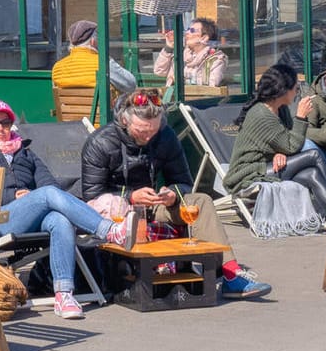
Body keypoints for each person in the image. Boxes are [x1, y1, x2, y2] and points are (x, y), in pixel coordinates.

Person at [78, 95, 270, 298]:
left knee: (201, 201)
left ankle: (230, 274)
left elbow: (183, 181)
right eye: (142, 130)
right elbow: (92, 196)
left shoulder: (165, 136)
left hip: (154, 204)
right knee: (113, 204)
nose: (148, 136)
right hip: (116, 211)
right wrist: (131, 197)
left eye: (153, 130)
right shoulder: (100, 143)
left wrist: (173, 194)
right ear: (125, 121)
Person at [0, 100, 132, 319]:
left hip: (28, 216)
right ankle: (109, 231)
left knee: (59, 219)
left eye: (5, 123)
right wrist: (13, 196)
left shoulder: (25, 153)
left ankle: (63, 294)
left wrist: (32, 198)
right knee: (47, 194)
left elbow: (47, 181)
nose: (0, 128)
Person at [224, 66, 326, 224]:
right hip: (248, 174)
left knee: (311, 174)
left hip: (268, 166)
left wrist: (280, 152)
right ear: (283, 90)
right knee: (314, 155)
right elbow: (292, 146)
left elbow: (284, 142)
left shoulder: (279, 109)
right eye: (295, 87)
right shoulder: (262, 115)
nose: (297, 91)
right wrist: (301, 116)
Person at [50, 19, 138, 97]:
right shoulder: (103, 64)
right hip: (102, 115)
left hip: (69, 115)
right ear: (93, 42)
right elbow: (131, 85)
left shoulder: (57, 68)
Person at [151, 17, 229, 87]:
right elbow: (159, 71)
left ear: (204, 38)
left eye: (192, 30)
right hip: (174, 100)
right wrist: (169, 48)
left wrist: (181, 80)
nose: (187, 33)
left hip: (200, 101)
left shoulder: (216, 58)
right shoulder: (181, 55)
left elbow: (212, 83)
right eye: (188, 29)